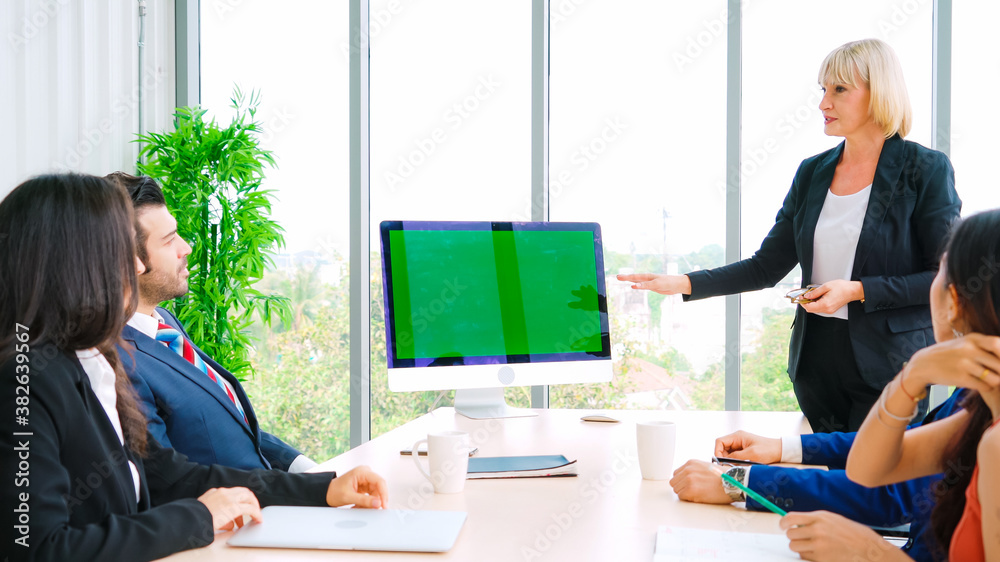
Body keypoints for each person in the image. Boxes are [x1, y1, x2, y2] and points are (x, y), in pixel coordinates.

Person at [0, 174, 388, 562]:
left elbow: (169, 474)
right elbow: (36, 549)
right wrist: (198, 516)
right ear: (72, 266)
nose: (137, 265)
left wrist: (320, 490)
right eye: (119, 251)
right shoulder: (24, 380)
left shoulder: (93, 362)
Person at [618, 38, 962, 432]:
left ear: (877, 94)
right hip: (817, 361)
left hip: (890, 365)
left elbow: (941, 278)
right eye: (823, 90)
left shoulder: (925, 169)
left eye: (839, 89)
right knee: (824, 482)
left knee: (866, 487)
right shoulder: (812, 172)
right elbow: (767, 266)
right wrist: (682, 282)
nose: (823, 104)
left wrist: (856, 290)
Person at [104, 172, 314, 472]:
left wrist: (307, 469)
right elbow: (168, 479)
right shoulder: (117, 361)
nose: (186, 247)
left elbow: (230, 433)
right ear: (127, 261)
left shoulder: (165, 323)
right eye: (168, 241)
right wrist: (308, 491)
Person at [669, 387, 967, 562]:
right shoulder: (977, 391)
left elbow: (891, 493)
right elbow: (904, 446)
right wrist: (785, 447)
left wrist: (739, 484)